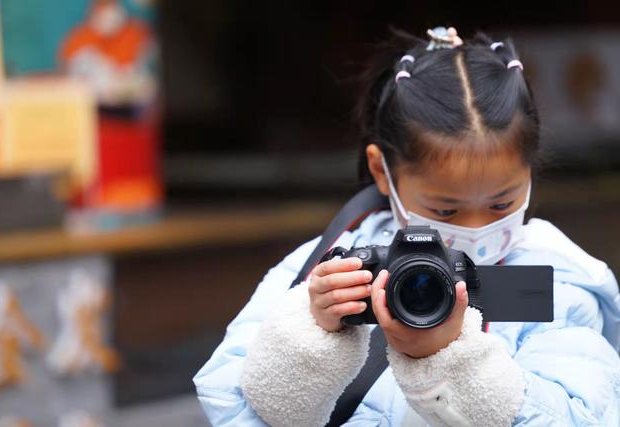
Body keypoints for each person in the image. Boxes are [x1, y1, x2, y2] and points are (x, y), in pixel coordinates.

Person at [193, 27, 620, 426]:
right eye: (446, 210)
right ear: (382, 171)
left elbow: (583, 415)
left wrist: (450, 359)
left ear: (529, 171)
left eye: (500, 202)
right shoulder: (333, 261)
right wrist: (313, 334)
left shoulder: (549, 282)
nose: (476, 227)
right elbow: (231, 404)